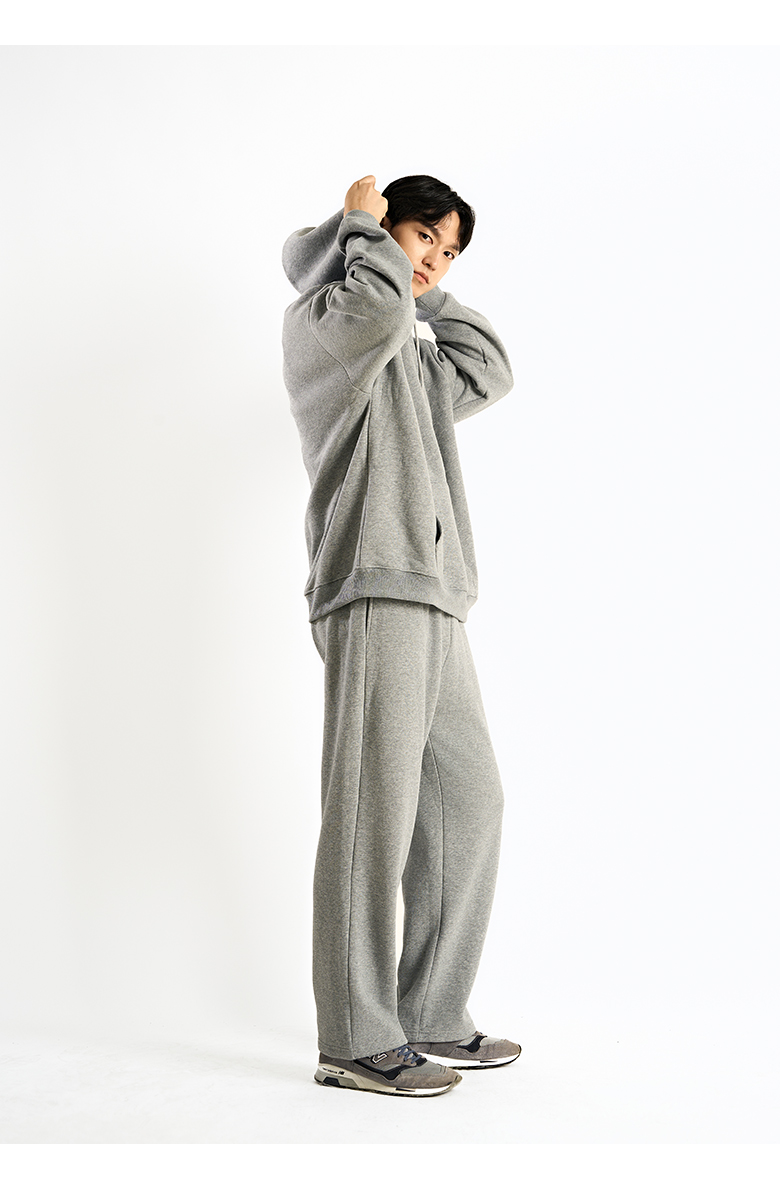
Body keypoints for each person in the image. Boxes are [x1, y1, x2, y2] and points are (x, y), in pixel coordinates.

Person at [281, 174, 520, 1097]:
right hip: (372, 581)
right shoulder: (328, 325)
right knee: (369, 819)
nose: (434, 261)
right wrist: (361, 227)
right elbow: (377, 309)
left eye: (450, 251)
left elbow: (490, 368)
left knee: (469, 800)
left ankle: (429, 1010)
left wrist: (432, 293)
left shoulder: (408, 353)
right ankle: (354, 1036)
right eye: (425, 237)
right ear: (378, 231)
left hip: (435, 593)